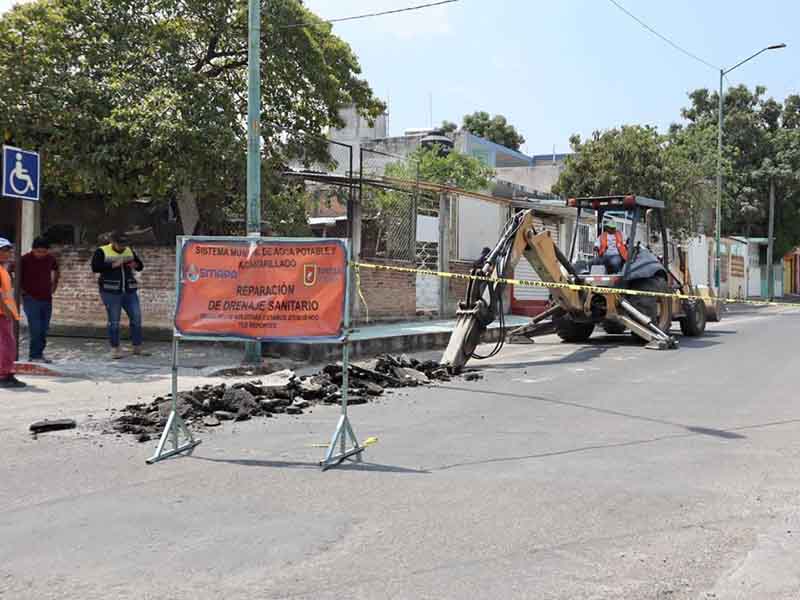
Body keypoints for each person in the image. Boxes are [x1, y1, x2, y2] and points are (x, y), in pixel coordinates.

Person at [91, 231, 146, 359]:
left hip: (129, 290)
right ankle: (115, 349)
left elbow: (140, 266)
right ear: (112, 242)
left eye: (124, 244)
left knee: (136, 319)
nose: (122, 246)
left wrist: (135, 264)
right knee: (114, 321)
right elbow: (95, 267)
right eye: (119, 244)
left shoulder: (129, 250)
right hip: (110, 291)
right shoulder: (102, 251)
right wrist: (112, 265)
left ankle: (137, 347)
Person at [20, 237, 59, 363]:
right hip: (30, 298)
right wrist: (21, 291)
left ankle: (39, 354)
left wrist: (53, 287)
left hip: (46, 298)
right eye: (38, 252)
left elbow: (56, 271)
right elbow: (11, 272)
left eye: (44, 252)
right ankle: (34, 355)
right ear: (33, 250)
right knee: (36, 328)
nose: (41, 254)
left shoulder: (51, 259)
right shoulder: (24, 259)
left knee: (44, 328)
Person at [0, 238, 25, 388]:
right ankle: (4, 374)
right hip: (2, 313)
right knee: (6, 344)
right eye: (4, 250)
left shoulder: (3, 269)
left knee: (6, 343)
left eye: (9, 250)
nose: (8, 253)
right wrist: (6, 310)